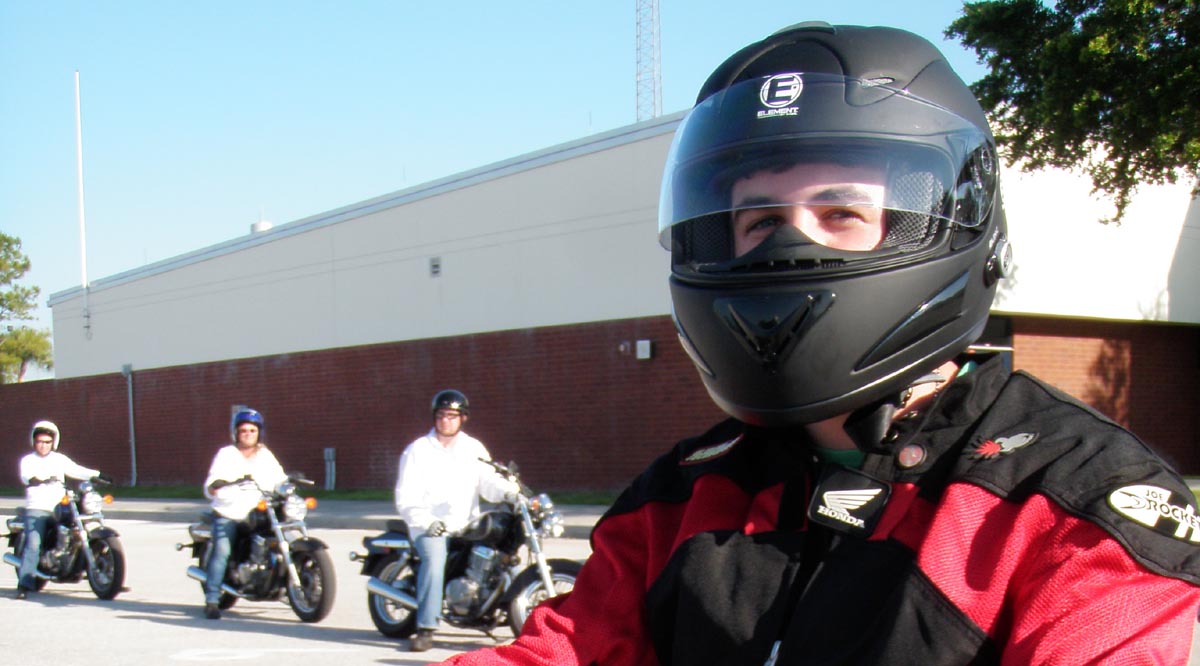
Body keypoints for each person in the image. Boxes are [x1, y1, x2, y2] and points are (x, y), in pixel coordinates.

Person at [442, 23, 1200, 664]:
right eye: (760, 221)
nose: (788, 247)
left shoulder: (1071, 498)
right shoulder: (682, 496)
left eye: (839, 212)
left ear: (933, 225)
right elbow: (561, 651)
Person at [395, 389, 520, 652]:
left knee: (497, 553)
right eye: (441, 415)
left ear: (463, 417)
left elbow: (488, 481)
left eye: (452, 415)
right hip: (429, 526)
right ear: (434, 417)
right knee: (435, 561)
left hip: (465, 524)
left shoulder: (472, 448)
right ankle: (426, 628)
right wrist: (426, 521)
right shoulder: (418, 450)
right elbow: (406, 496)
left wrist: (509, 492)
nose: (446, 420)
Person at [200, 407, 286, 619]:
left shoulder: (265, 455)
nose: (248, 434)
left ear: (259, 432)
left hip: (259, 510)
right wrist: (214, 487)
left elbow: (280, 478)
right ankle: (212, 599)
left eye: (252, 430)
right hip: (230, 511)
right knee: (222, 551)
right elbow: (212, 482)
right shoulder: (226, 454)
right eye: (244, 430)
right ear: (236, 433)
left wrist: (288, 486)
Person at [15, 420, 105, 599]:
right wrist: (34, 479)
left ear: (53, 442)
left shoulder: (59, 459)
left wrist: (98, 475)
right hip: (37, 508)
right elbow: (25, 475)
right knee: (34, 544)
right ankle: (24, 584)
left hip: (60, 506)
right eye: (40, 441)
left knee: (75, 530)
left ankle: (92, 569)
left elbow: (76, 470)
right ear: (34, 441)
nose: (43, 445)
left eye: (47, 442)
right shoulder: (28, 460)